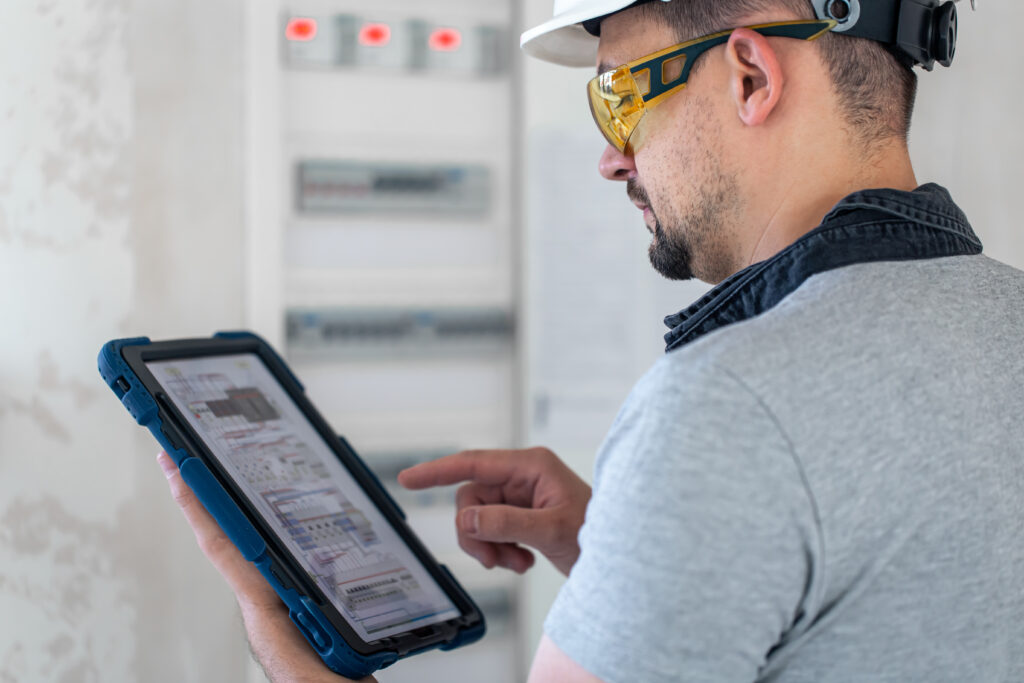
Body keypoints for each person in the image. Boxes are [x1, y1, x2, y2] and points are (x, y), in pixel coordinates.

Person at [159, 0, 1024, 681]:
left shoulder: (730, 407)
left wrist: (284, 644)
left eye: (617, 95)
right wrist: (631, 549)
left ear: (752, 75)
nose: (611, 158)